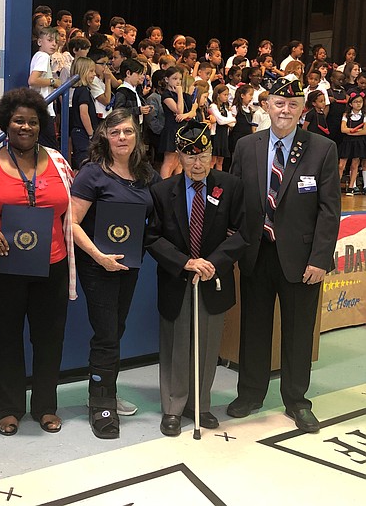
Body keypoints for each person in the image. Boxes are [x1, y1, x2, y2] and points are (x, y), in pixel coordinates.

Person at [229, 77, 341, 433]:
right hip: (256, 254)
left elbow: (329, 210)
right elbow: (232, 199)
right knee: (254, 328)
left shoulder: (322, 148)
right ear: (267, 105)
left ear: (302, 109)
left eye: (293, 104)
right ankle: (250, 394)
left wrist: (320, 259)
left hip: (303, 259)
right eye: (279, 103)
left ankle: (296, 400)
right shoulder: (246, 146)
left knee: (298, 333)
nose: (285, 110)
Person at [0, 88, 76, 436]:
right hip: (5, 268)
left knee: (50, 338)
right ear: (6, 123)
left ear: (40, 124)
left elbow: (74, 209)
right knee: (7, 337)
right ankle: (10, 408)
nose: (25, 127)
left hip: (52, 266)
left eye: (32, 121)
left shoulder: (59, 163)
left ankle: (45, 406)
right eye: (18, 120)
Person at [145, 121, 247, 437]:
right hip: (178, 278)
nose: (198, 163)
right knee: (177, 343)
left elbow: (243, 233)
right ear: (179, 156)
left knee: (207, 342)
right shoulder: (162, 191)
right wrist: (185, 262)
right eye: (190, 157)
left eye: (202, 154)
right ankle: (174, 406)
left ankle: (200, 405)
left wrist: (212, 262)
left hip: (213, 278)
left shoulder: (230, 187)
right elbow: (152, 237)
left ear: (211, 152)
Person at [70, 108, 160, 439]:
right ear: (105, 137)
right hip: (98, 267)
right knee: (106, 335)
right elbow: (72, 223)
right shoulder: (92, 174)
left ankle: (107, 388)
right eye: (114, 132)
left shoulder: (146, 174)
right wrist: (99, 255)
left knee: (116, 330)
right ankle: (101, 404)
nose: (121, 138)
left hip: (129, 266)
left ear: (137, 136)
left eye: (127, 132)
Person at [159, 66, 197, 178]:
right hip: (172, 129)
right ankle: (164, 186)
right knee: (169, 161)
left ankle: (176, 187)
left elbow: (193, 110)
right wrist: (179, 93)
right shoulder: (166, 95)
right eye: (174, 78)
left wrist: (185, 115)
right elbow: (178, 109)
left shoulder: (185, 96)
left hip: (183, 129)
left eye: (180, 79)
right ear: (167, 79)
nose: (178, 82)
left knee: (180, 162)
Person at [29, 26, 62, 149]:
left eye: (56, 42)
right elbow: (33, 80)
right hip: (43, 107)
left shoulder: (39, 56)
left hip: (39, 106)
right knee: (51, 148)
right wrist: (53, 81)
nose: (54, 44)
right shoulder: (43, 56)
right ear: (39, 42)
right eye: (50, 40)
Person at [70, 57, 99, 168]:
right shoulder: (83, 91)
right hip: (82, 133)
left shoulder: (82, 90)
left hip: (80, 133)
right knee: (84, 163)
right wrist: (91, 133)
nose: (94, 74)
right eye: (91, 71)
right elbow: (84, 113)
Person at [338, 92, 366, 195]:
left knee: (355, 164)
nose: (358, 104)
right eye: (356, 102)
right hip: (347, 142)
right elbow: (342, 129)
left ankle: (351, 187)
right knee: (341, 165)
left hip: (359, 143)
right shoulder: (346, 115)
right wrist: (352, 131)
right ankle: (336, 186)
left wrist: (351, 132)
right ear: (350, 104)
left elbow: (364, 131)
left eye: (360, 101)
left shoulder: (364, 115)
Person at [209, 84, 236, 170]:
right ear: (218, 95)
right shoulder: (213, 106)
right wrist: (230, 120)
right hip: (216, 135)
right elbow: (220, 121)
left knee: (220, 161)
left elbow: (233, 123)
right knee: (213, 160)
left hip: (224, 135)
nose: (226, 97)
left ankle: (219, 180)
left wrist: (229, 120)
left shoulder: (225, 107)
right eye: (224, 94)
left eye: (227, 95)